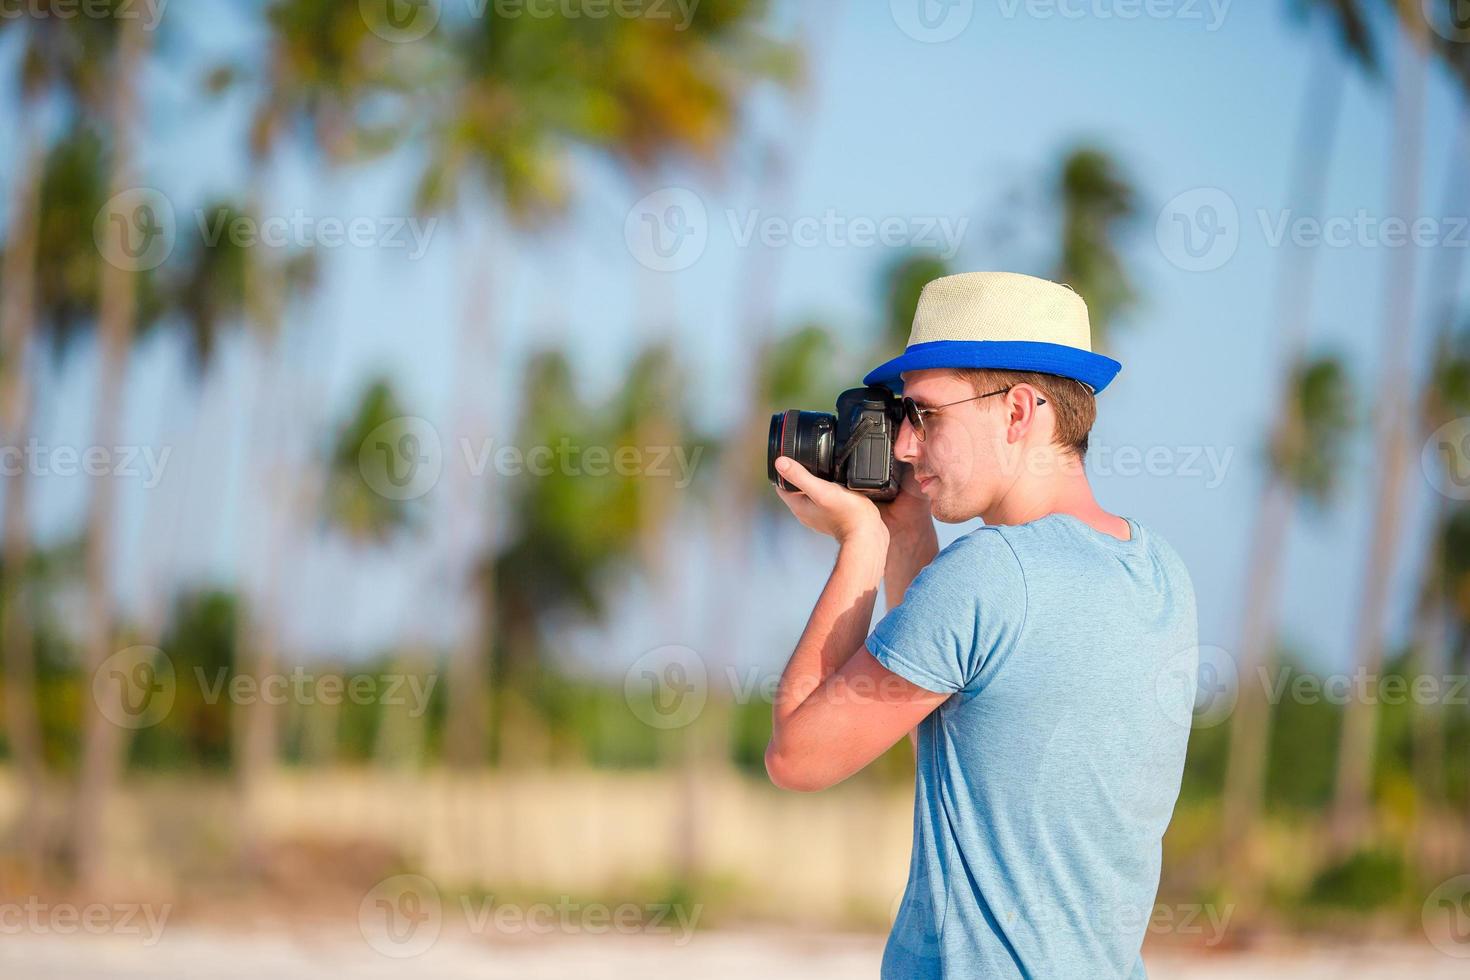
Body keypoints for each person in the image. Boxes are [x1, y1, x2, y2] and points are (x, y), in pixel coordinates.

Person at [765, 271, 1199, 978]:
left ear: (1019, 413)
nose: (904, 446)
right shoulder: (1159, 572)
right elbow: (965, 744)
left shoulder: (990, 575)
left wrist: (861, 547)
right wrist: (905, 534)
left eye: (927, 415)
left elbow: (799, 757)